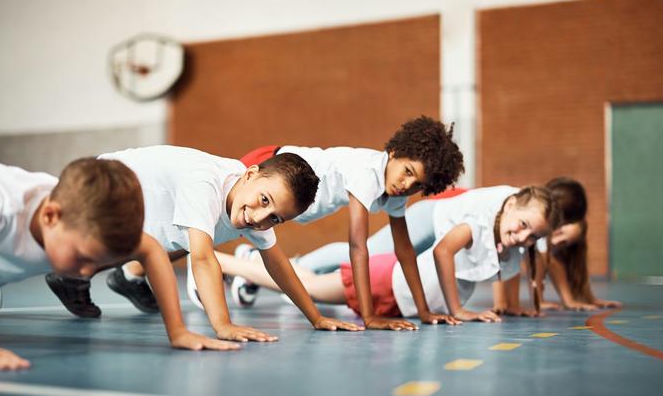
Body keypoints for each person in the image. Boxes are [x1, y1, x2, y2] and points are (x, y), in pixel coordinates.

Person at [0, 158, 234, 371]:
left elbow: (152, 249)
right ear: (51, 216)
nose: (85, 273)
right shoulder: (1, 200)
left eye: (97, 262)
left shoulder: (79, 222)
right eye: (83, 258)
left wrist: (178, 331)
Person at [46, 145, 362, 341]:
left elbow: (278, 263)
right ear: (250, 174)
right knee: (53, 248)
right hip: (101, 188)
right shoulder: (204, 182)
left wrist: (316, 317)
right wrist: (223, 325)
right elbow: (202, 259)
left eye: (275, 218)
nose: (260, 218)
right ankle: (26, 278)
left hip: (147, 217)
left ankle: (90, 278)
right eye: (264, 201)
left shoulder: (252, 206)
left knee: (157, 241)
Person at [224, 116, 465, 331]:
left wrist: (424, 312)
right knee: (218, 220)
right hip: (270, 165)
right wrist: (369, 317)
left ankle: (244, 262)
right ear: (394, 152)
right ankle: (210, 263)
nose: (406, 185)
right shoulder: (367, 171)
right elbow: (358, 247)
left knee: (236, 228)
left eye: (418, 185)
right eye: (408, 171)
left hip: (294, 203)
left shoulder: (395, 194)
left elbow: (405, 251)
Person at [217, 185, 558, 323]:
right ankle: (238, 262)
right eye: (526, 226)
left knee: (309, 286)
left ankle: (258, 265)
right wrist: (458, 309)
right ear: (512, 204)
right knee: (312, 282)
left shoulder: (512, 242)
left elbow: (516, 270)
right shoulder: (481, 222)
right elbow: (443, 252)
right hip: (417, 237)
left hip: (397, 293)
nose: (526, 237)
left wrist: (518, 306)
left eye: (535, 236)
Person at [496, 177, 622, 313]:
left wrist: (584, 298)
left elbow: (564, 261)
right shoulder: (535, 220)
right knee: (528, 255)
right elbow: (502, 259)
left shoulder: (574, 227)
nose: (557, 243)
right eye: (559, 234)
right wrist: (502, 302)